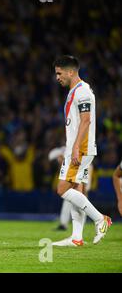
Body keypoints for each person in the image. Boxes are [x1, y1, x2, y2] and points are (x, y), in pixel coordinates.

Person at [51, 55, 111, 247]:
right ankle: (77, 237)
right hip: (80, 147)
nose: (57, 77)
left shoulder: (82, 91)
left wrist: (75, 147)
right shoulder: (74, 91)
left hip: (81, 149)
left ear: (70, 72)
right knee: (78, 190)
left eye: (59, 73)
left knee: (62, 189)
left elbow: (86, 120)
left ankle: (100, 219)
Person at [48, 146, 93, 231]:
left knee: (82, 196)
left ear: (59, 157)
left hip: (84, 168)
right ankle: (64, 224)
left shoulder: (66, 154)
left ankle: (89, 222)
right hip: (77, 169)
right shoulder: (64, 155)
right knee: (68, 196)